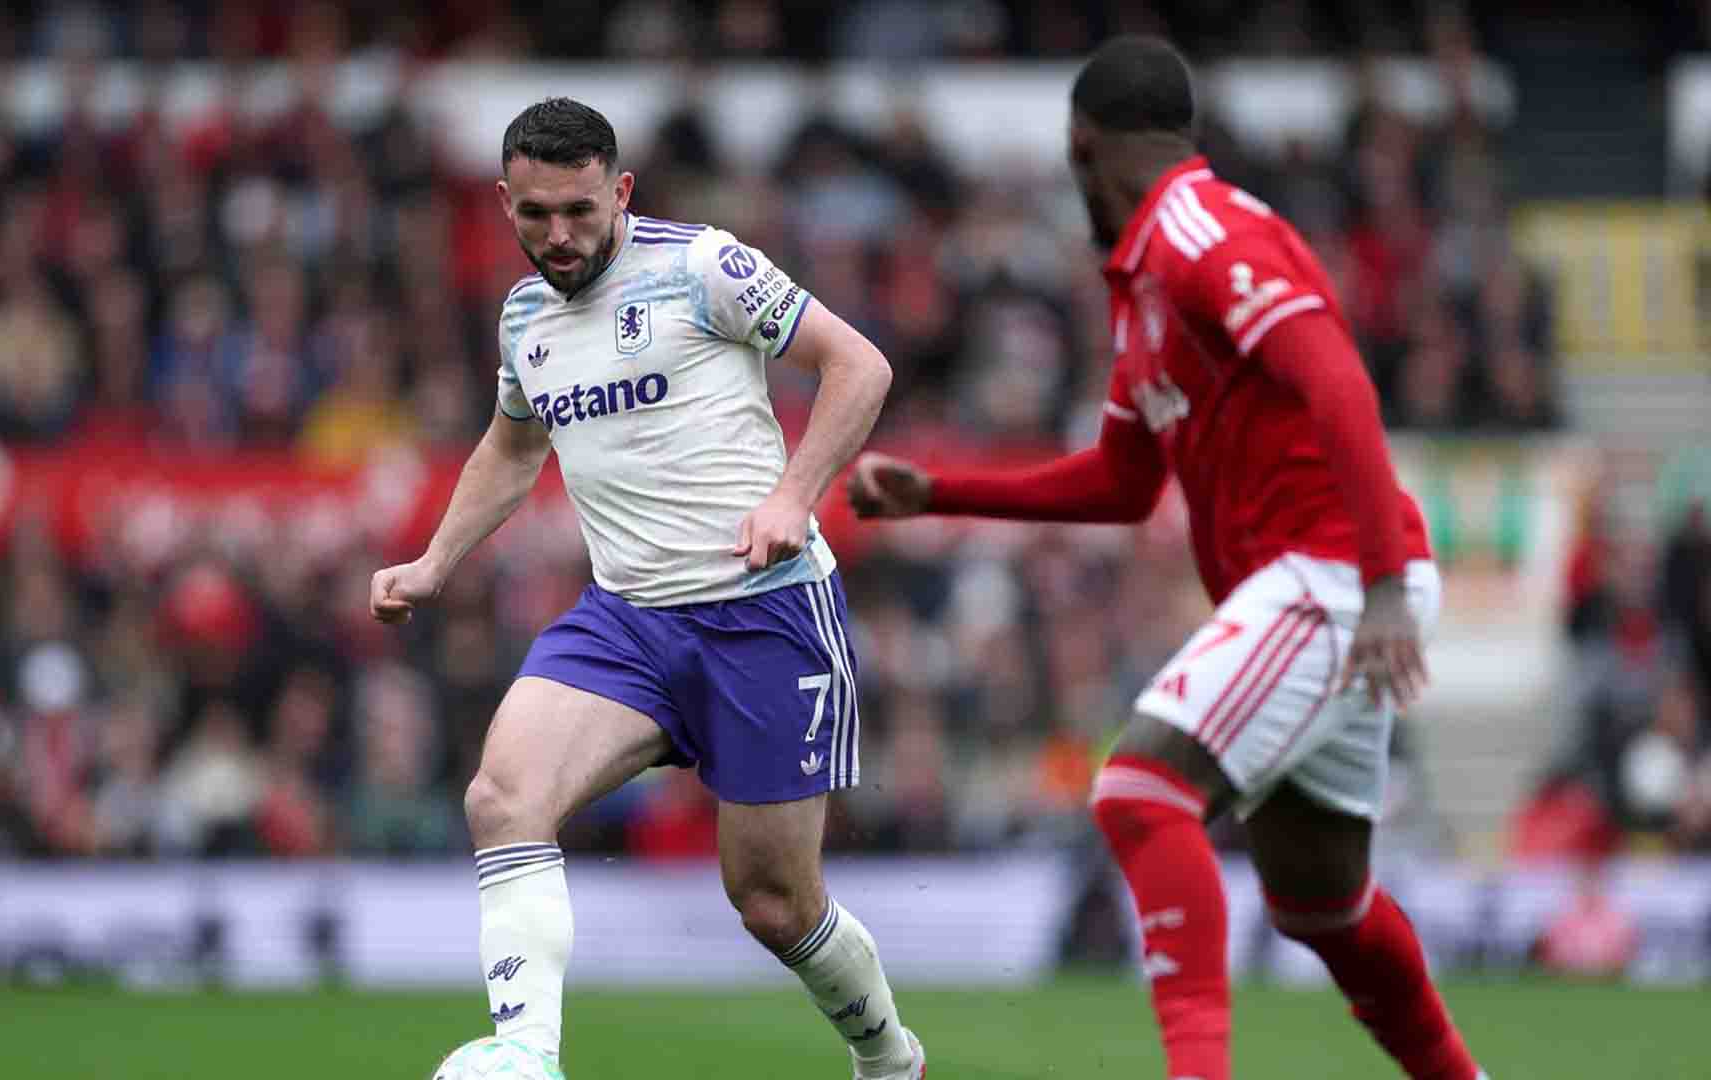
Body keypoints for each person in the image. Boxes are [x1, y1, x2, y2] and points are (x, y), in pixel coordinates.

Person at [848, 36, 1487, 1080]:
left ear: (1082, 146)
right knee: (1321, 904)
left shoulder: (1200, 232)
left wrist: (1377, 589)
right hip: (1321, 585)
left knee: (1140, 790)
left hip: (1332, 576)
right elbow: (1123, 481)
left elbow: (1338, 382)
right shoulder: (1144, 277)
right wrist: (942, 492)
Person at [370, 99, 924, 1079]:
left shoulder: (702, 266)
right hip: (626, 621)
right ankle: (526, 1053)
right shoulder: (525, 316)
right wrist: (435, 561)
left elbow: (859, 365)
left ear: (621, 190)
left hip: (766, 615)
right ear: (503, 203)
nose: (559, 235)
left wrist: (793, 496)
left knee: (773, 903)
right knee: (502, 797)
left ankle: (888, 1057)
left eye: (579, 210)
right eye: (535, 213)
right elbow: (512, 446)